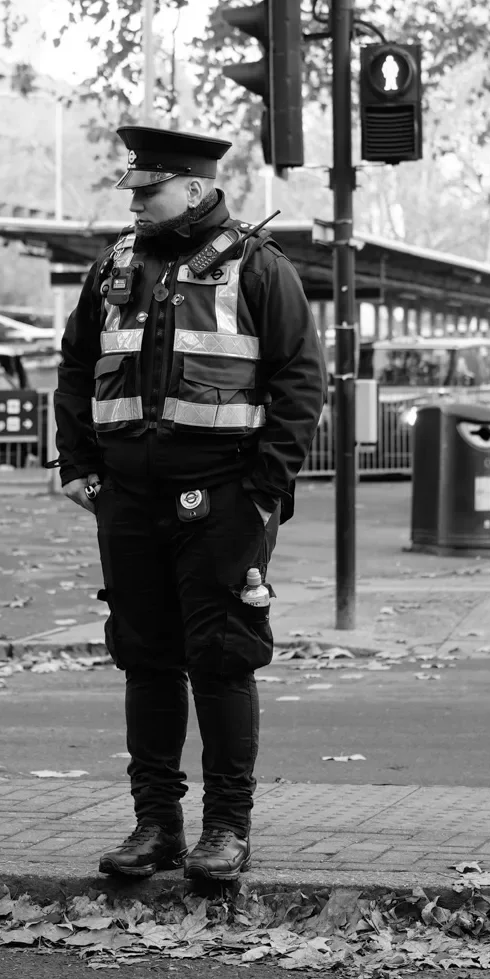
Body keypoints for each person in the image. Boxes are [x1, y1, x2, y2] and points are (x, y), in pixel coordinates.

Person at [54, 125, 325, 883]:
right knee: (145, 660)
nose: (136, 204)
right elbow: (77, 369)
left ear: (198, 189)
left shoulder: (257, 267)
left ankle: (227, 829)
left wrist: (265, 493)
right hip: (129, 501)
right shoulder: (112, 268)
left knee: (222, 660)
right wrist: (77, 462)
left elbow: (302, 385)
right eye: (134, 192)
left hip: (226, 499)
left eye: (151, 191)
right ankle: (156, 826)